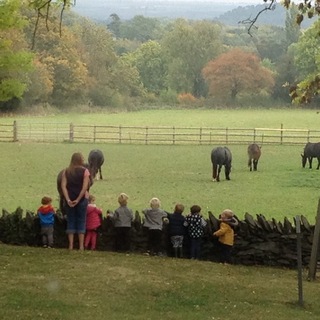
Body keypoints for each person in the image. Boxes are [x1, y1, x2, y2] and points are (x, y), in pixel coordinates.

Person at [61, 152, 91, 250]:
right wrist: (78, 199)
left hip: (70, 199)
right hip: (82, 200)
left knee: (71, 220)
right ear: (81, 160)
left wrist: (68, 199)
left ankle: (70, 245)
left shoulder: (66, 171)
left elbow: (63, 186)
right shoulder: (85, 171)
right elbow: (84, 187)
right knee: (81, 220)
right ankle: (81, 246)